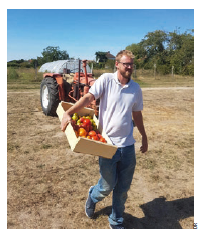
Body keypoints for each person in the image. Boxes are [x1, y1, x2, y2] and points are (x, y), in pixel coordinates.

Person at [60, 50, 148, 229]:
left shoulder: (136, 88)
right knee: (107, 186)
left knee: (122, 190)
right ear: (117, 64)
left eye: (131, 64)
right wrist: (69, 112)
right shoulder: (107, 80)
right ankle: (93, 196)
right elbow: (89, 98)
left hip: (128, 147)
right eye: (126, 64)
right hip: (107, 145)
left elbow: (137, 115)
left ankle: (116, 220)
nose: (129, 67)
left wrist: (144, 137)